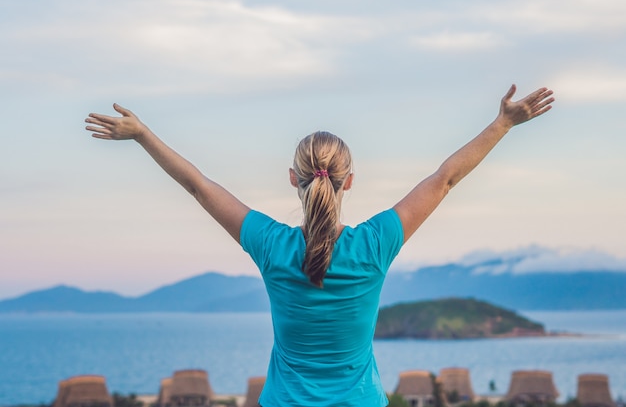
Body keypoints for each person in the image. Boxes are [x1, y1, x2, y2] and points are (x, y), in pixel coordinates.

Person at [84, 84, 554, 407]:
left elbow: (199, 187)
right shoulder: (374, 245)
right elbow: (444, 180)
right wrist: (502, 125)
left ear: (293, 179)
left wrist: (143, 135)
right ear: (349, 181)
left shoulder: (272, 246)